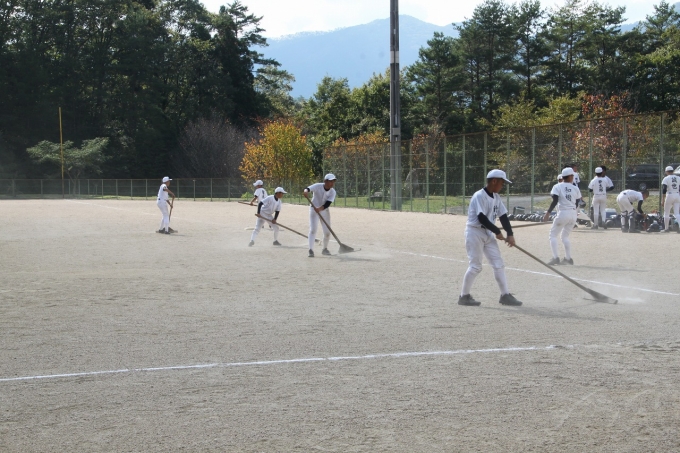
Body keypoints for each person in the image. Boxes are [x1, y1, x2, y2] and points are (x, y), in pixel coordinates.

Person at [458, 169, 521, 307]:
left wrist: (510, 234)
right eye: (502, 183)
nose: (502, 186)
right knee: (475, 266)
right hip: (474, 232)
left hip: (487, 233)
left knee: (498, 264)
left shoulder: (496, 197)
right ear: (494, 181)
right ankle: (464, 296)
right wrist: (497, 231)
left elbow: (503, 216)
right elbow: (481, 218)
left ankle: (505, 295)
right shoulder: (479, 195)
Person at [543, 168, 582, 265]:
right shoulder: (575, 188)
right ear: (570, 176)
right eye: (572, 176)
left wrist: (548, 213)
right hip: (573, 214)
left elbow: (555, 201)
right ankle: (568, 258)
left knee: (552, 235)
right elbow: (577, 202)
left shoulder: (557, 186)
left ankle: (555, 258)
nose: (573, 177)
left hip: (563, 213)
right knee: (565, 236)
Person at [303, 174, 337, 257]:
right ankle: (311, 250)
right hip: (313, 210)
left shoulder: (333, 192)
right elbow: (308, 188)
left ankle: (324, 249)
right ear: (325, 181)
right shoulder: (318, 186)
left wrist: (320, 209)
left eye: (333, 181)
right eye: (330, 181)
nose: (332, 183)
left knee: (327, 232)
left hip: (324, 211)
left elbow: (327, 204)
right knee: (313, 230)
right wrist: (305, 191)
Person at [661, 165, 680, 232]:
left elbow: (664, 189)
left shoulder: (666, 178)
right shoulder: (678, 178)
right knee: (677, 213)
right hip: (677, 194)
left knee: (666, 213)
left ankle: (666, 229)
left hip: (669, 194)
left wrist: (663, 199)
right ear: (672, 171)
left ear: (667, 172)